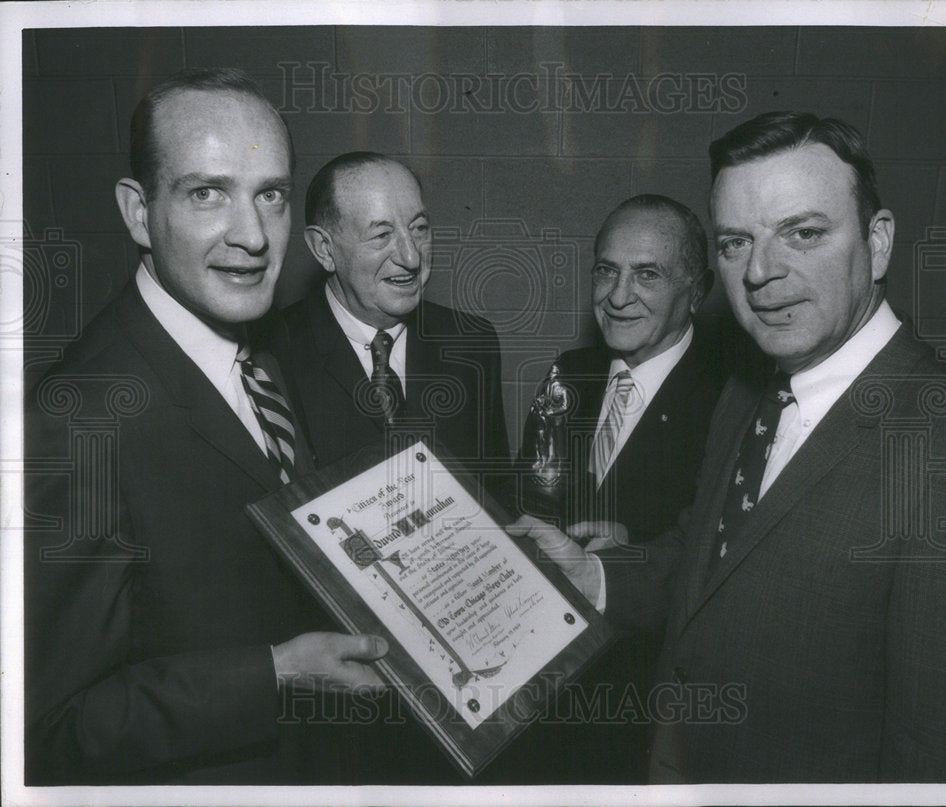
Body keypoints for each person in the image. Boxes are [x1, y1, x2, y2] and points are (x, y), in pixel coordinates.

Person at [510, 111, 946, 782]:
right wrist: (593, 575)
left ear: (877, 243)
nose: (761, 272)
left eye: (804, 233)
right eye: (735, 242)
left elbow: (934, 753)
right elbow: (701, 560)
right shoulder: (750, 393)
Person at [24, 68, 388, 785]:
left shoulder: (265, 349)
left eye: (271, 195)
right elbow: (54, 728)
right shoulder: (78, 418)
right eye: (207, 193)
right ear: (137, 212)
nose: (252, 236)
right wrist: (275, 672)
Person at [509, 195, 737, 784]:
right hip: (542, 692)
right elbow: (528, 499)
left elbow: (725, 560)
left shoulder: (732, 401)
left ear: (698, 290)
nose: (617, 295)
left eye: (648, 274)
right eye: (607, 270)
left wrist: (630, 542)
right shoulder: (571, 372)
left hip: (644, 707)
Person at [263, 152, 510, 481]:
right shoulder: (272, 354)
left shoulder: (470, 341)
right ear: (324, 248)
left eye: (419, 229)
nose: (411, 257)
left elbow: (495, 492)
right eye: (381, 235)